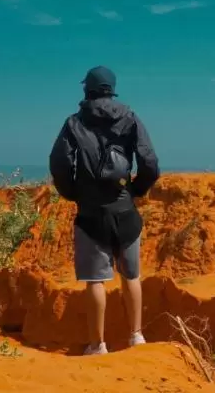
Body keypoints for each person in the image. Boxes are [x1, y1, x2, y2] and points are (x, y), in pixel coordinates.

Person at [48, 65, 161, 356]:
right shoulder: (130, 117)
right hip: (125, 210)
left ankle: (97, 345)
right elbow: (148, 161)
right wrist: (136, 189)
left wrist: (72, 193)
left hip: (91, 213)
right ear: (111, 89)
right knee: (131, 276)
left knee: (95, 281)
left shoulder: (74, 122)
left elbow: (59, 162)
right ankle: (136, 336)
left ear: (87, 89)